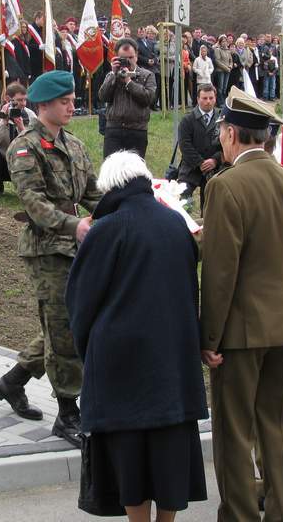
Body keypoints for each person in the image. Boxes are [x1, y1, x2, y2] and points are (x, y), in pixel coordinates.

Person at [67, 150, 208, 521]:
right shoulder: (176, 224)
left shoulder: (107, 230)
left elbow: (81, 304)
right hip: (173, 362)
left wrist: (89, 351)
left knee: (130, 459)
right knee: (169, 455)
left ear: (110, 187)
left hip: (121, 366)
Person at [201, 87, 283, 522]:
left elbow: (219, 273)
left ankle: (241, 513)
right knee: (279, 424)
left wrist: (209, 337)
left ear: (231, 134)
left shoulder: (225, 187)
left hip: (240, 333)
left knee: (234, 430)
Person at [0, 70, 102, 447]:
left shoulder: (75, 145)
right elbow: (34, 204)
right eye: (64, 101)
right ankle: (68, 415)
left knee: (66, 326)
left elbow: (93, 193)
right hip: (47, 249)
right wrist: (75, 226)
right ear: (43, 106)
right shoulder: (25, 148)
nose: (72, 106)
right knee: (64, 330)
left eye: (72, 100)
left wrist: (133, 208)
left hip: (77, 246)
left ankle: (12, 382)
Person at [97, 37, 157, 159]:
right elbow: (103, 96)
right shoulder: (111, 75)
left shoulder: (147, 75)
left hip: (137, 130)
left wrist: (129, 82)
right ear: (117, 57)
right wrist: (114, 75)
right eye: (124, 58)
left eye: (131, 57)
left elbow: (149, 99)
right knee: (112, 172)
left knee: (135, 173)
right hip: (114, 129)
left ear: (137, 55)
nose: (128, 61)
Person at [0, 81, 37, 195]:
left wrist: (22, 128)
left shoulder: (30, 115)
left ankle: (29, 189)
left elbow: (37, 146)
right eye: (20, 100)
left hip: (24, 162)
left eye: (25, 100)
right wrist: (3, 122)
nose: (24, 104)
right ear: (7, 98)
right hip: (3, 162)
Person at [177, 84, 222, 211]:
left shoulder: (222, 119)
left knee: (210, 208)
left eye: (211, 98)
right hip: (190, 167)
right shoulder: (187, 120)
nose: (208, 101)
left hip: (214, 168)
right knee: (183, 204)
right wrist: (200, 163)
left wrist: (215, 160)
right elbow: (185, 145)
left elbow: (227, 145)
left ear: (215, 98)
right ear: (197, 99)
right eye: (204, 98)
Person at [137, 25, 160, 110]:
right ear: (138, 33)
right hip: (144, 67)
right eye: (140, 32)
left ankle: (153, 104)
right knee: (146, 87)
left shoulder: (150, 42)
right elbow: (138, 56)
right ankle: (147, 104)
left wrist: (154, 60)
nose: (142, 33)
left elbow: (155, 53)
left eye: (143, 32)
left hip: (154, 67)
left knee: (156, 86)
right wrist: (147, 61)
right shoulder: (136, 43)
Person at [214, 35, 232, 101]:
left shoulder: (228, 50)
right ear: (220, 42)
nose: (224, 43)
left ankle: (224, 100)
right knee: (220, 87)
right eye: (223, 41)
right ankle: (219, 101)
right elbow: (217, 61)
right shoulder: (217, 50)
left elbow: (231, 60)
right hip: (220, 71)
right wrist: (226, 68)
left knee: (225, 87)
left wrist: (230, 66)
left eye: (225, 41)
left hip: (227, 71)